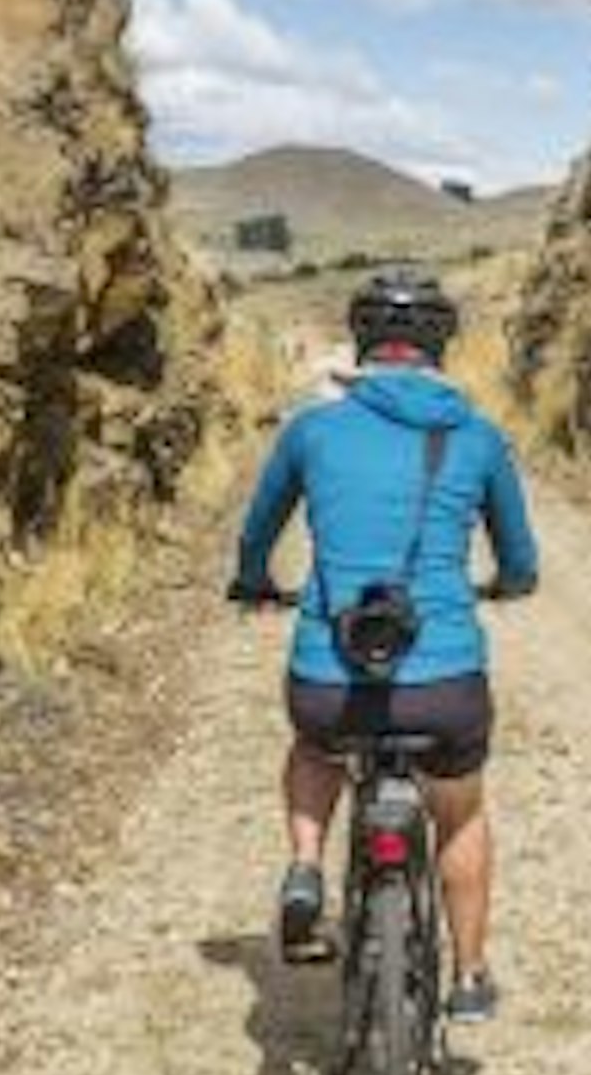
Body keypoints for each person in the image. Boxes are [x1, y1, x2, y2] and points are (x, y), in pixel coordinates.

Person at [227, 264, 539, 1020]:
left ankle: (306, 867)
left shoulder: (312, 429)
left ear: (364, 337)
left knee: (315, 748)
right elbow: (521, 560)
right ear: (442, 346)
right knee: (458, 811)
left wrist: (253, 582)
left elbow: (258, 532)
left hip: (329, 679)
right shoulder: (479, 436)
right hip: (446, 683)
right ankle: (468, 978)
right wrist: (505, 586)